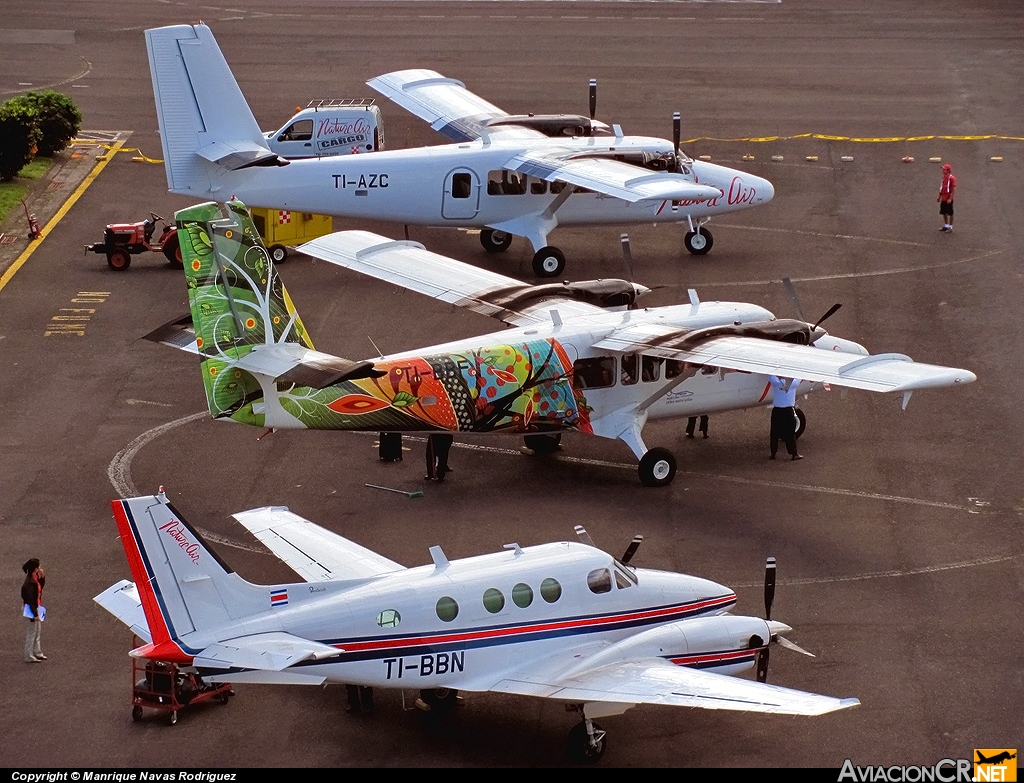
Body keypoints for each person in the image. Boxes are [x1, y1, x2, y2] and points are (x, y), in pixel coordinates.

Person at [768, 376, 802, 460]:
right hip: (788, 411)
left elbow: (770, 375)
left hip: (777, 411)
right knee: (790, 434)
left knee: (774, 433)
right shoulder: (794, 383)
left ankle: (773, 453)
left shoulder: (776, 382)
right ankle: (794, 453)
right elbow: (800, 376)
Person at [21, 558, 46, 663]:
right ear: (35, 568)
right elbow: (30, 600)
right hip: (31, 609)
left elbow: (40, 587)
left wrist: (42, 577)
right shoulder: (28, 584)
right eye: (38, 567)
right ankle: (29, 655)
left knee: (37, 631)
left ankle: (37, 652)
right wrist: (35, 614)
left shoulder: (35, 578)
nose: (40, 568)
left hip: (36, 607)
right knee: (32, 632)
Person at [938, 163, 956, 231]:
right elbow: (942, 187)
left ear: (948, 170)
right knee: (943, 212)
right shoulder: (944, 178)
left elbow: (954, 189)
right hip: (943, 197)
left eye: (944, 169)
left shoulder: (952, 178)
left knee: (950, 213)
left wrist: (950, 198)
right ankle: (946, 225)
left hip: (948, 197)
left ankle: (950, 226)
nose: (943, 171)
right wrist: (939, 196)